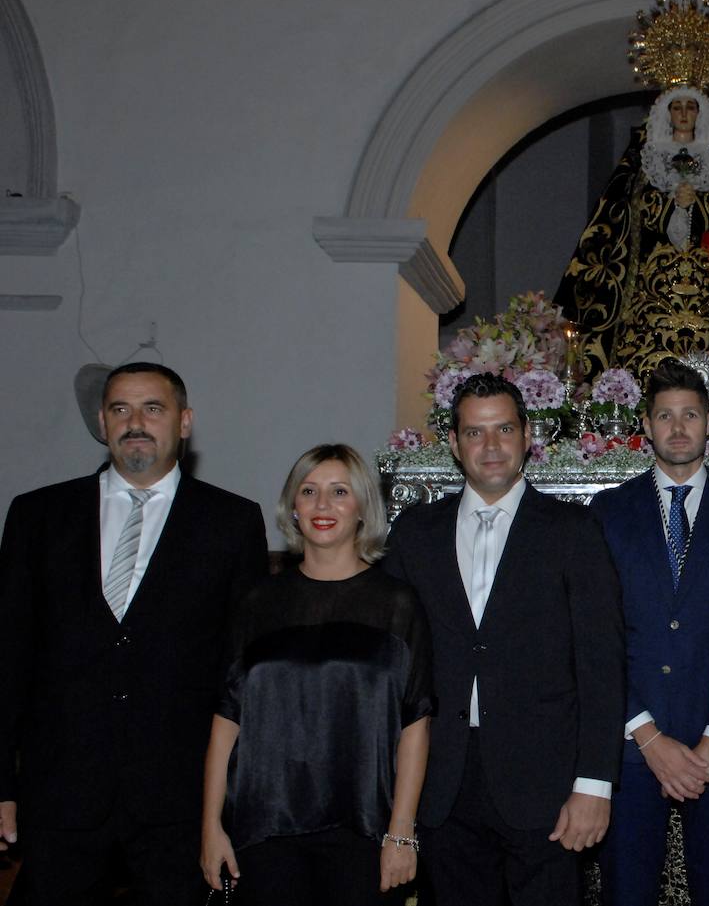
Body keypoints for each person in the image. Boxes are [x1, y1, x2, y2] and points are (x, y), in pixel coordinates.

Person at [0, 362, 267, 905]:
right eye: (120, 409)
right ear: (102, 422)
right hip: (60, 794)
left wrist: (231, 801)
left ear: (184, 421)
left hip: (179, 800)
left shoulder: (232, 522)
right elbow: (8, 658)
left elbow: (243, 671)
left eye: (153, 408)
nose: (135, 422)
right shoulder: (37, 515)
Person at [380, 373, 625, 906]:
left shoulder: (572, 532)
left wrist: (594, 785)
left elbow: (602, 665)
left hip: (548, 783)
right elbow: (389, 661)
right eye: (474, 432)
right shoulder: (416, 534)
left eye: (504, 429)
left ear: (527, 435)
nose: (490, 446)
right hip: (443, 782)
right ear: (453, 442)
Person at [200, 443, 433, 905]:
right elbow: (227, 722)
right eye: (309, 491)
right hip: (262, 833)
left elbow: (416, 725)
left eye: (339, 491)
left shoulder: (398, 604)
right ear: (293, 507)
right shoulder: (256, 603)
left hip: (364, 832)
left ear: (363, 507)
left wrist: (401, 834)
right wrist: (210, 827)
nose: (322, 505)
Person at [590, 360, 709, 906]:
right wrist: (645, 733)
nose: (677, 428)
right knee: (627, 891)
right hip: (631, 742)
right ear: (646, 425)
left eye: (689, 415)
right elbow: (599, 634)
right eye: (665, 416)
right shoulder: (609, 511)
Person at [555, 84, 709, 431]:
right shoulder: (645, 164)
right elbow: (627, 223)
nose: (683, 114)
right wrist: (670, 203)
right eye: (677, 107)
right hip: (652, 289)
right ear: (666, 114)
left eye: (691, 107)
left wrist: (699, 203)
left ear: (702, 114)